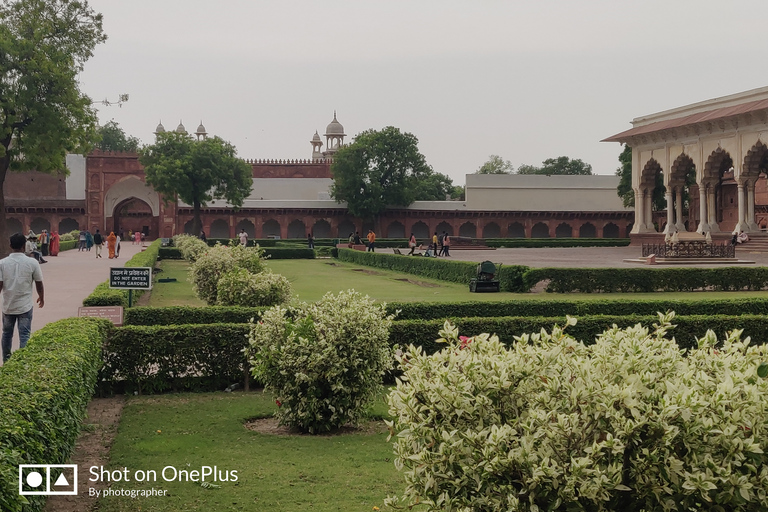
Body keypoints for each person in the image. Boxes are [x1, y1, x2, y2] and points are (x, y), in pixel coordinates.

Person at [0, 233, 44, 363]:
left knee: (7, 334)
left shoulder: (2, 263)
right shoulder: (32, 262)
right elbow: (39, 282)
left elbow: (0, 284)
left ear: (10, 246)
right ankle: (23, 363)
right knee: (24, 335)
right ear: (24, 246)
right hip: (25, 306)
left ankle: (7, 361)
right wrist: (41, 297)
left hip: (8, 306)